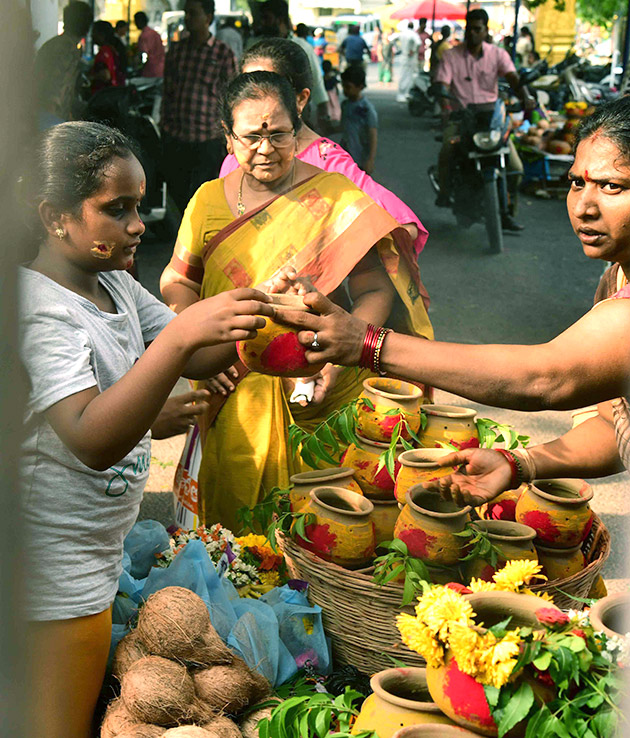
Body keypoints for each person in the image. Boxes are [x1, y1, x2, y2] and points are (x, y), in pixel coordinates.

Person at [19, 120, 273, 738]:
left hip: (95, 553)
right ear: (56, 217)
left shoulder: (115, 286)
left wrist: (261, 306)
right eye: (118, 210)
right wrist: (186, 332)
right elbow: (91, 439)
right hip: (51, 568)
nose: (138, 224)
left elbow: (200, 356)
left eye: (140, 205)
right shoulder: (38, 309)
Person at [277, 92, 630, 495]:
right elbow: (617, 426)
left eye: (612, 186)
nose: (584, 206)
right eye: (577, 182)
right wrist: (519, 463)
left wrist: (365, 343)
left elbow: (547, 377)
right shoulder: (616, 278)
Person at [159, 71, 433, 531]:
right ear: (228, 138)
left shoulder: (335, 196)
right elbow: (178, 280)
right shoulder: (207, 200)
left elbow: (374, 291)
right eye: (250, 137)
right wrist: (201, 342)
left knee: (323, 525)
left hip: (318, 386)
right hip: (232, 389)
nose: (265, 149)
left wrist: (337, 358)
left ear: (297, 128)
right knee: (239, 526)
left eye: (278, 134)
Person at [218, 38, 429, 254]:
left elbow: (403, 227)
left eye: (270, 89)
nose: (253, 102)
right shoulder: (236, 158)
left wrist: (325, 260)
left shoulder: (327, 161)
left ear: (300, 99)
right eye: (245, 88)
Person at [435, 8, 534, 231]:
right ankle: (443, 191)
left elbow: (513, 77)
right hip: (462, 120)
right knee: (446, 153)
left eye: (477, 29)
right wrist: (444, 104)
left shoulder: (498, 55)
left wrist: (526, 97)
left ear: (485, 30)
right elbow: (442, 83)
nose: (472, 34)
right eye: (469, 29)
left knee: (516, 168)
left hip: (491, 120)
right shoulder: (451, 56)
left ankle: (507, 213)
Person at [160, 0, 236, 213]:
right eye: (186, 13)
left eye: (193, 13)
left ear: (208, 18)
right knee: (178, 194)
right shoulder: (176, 51)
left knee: (204, 198)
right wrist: (165, 128)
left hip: (207, 141)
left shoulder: (222, 53)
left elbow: (231, 98)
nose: (187, 18)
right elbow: (168, 92)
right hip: (177, 137)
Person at [34, 0, 93, 127]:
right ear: (87, 26)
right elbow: (58, 85)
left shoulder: (54, 43)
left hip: (44, 113)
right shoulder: (69, 49)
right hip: (50, 117)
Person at [341, 65, 378, 174]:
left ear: (360, 87)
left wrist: (370, 159)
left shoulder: (366, 109)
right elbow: (344, 126)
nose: (344, 90)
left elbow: (373, 135)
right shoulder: (345, 105)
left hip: (360, 157)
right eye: (343, 86)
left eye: (348, 87)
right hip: (346, 155)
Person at [89, 20, 127, 95]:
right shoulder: (111, 50)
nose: (92, 35)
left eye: (94, 32)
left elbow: (105, 75)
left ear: (101, 34)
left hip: (103, 95)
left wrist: (91, 77)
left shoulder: (103, 52)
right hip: (113, 93)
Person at [395, 22, 421, 103]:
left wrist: (397, 48)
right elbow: (418, 43)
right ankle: (405, 92)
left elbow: (391, 39)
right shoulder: (413, 34)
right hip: (411, 57)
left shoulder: (402, 34)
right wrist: (413, 50)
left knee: (403, 75)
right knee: (409, 75)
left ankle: (402, 93)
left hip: (403, 55)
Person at [134, 11, 165, 78]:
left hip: (150, 71)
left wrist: (138, 66)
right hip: (161, 69)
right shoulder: (155, 33)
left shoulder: (144, 36)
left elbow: (144, 54)